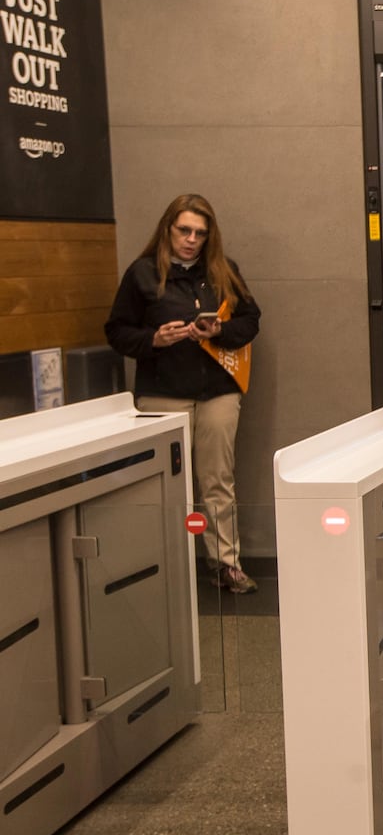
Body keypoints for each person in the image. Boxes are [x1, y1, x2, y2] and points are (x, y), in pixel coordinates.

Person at [105, 194, 263, 594]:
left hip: (218, 392)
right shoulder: (142, 274)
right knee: (160, 485)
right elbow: (117, 331)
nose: (191, 240)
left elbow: (250, 320)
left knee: (218, 480)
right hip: (163, 391)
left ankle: (227, 566)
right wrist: (153, 339)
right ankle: (158, 568)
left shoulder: (224, 271)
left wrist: (220, 332)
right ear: (168, 229)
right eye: (184, 231)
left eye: (200, 233)